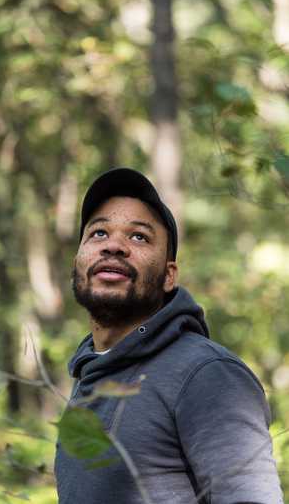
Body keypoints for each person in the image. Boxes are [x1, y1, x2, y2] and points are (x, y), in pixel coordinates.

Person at [54, 167, 283, 504]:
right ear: (78, 261)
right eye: (99, 233)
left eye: (139, 237)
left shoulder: (206, 374)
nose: (114, 245)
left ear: (168, 275)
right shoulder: (90, 374)